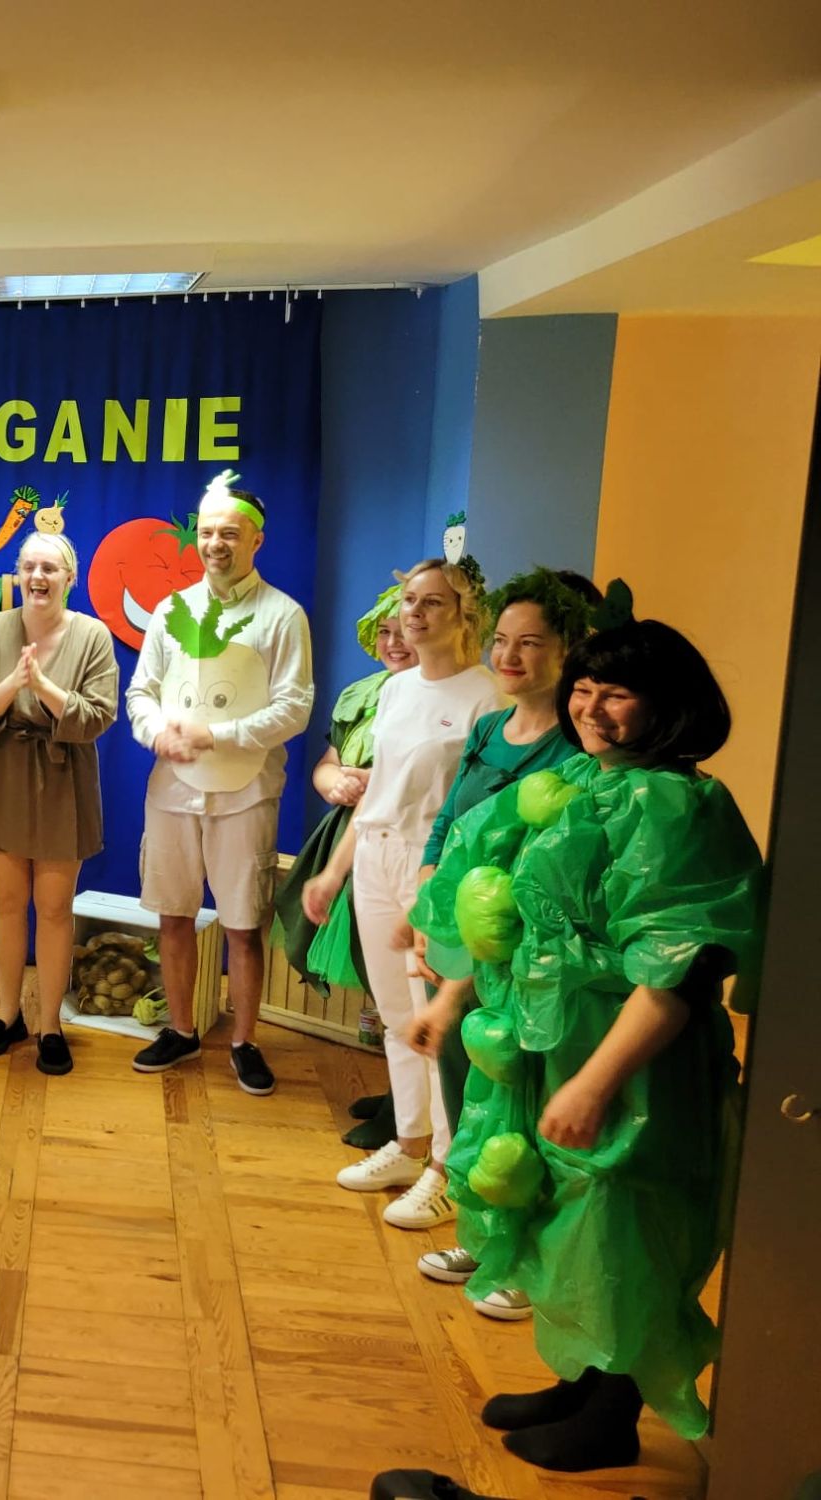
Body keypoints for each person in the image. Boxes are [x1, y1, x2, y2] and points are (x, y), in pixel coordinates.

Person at [406, 619, 761, 1471]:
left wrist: (597, 1082)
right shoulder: (584, 782)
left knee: (623, 1224)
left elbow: (677, 969)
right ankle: (582, 1380)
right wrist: (453, 998)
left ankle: (612, 1415)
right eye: (585, 688)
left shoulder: (675, 805)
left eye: (618, 693)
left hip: (633, 1062)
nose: (592, 708)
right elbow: (518, 913)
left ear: (667, 706)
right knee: (569, 1224)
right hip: (558, 1042)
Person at [406, 568, 598, 1309]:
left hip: (526, 952)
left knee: (524, 1100)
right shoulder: (490, 729)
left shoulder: (577, 752)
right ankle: (485, 1238)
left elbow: (545, 864)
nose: (509, 656)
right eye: (503, 641)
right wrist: (430, 891)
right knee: (471, 1094)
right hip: (462, 938)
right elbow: (451, 819)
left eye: (531, 643)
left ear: (569, 650)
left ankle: (529, 1261)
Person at [301, 557, 497, 1216]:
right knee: (395, 1018)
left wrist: (438, 886)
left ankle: (445, 1168)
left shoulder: (485, 696)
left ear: (464, 615)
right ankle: (409, 1142)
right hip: (376, 856)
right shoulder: (396, 689)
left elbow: (474, 809)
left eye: (433, 602)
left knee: (433, 1024)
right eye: (410, 601)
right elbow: (377, 793)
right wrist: (333, 872)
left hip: (432, 867)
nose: (415, 613)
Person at [126, 470, 314, 1097]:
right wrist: (157, 733)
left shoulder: (282, 616)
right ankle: (181, 1029)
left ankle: (245, 1040)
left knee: (242, 922)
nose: (215, 544)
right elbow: (141, 692)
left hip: (246, 793)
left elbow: (294, 708)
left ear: (256, 540)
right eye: (207, 533)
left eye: (229, 534)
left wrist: (216, 735)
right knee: (174, 913)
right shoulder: (170, 611)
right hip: (172, 792)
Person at [0, 530, 119, 1074]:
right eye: (29, 566)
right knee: (6, 904)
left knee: (53, 909)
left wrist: (44, 686)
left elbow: (98, 716)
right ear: (18, 573)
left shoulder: (93, 636)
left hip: (63, 782)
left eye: (50, 568)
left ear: (70, 578)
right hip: (3, 776)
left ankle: (50, 1023)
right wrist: (13, 683)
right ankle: (8, 1015)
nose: (38, 577)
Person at [274, 583, 415, 1150]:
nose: (394, 642)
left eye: (405, 630)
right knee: (375, 971)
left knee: (401, 982)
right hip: (349, 837)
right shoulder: (363, 693)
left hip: (397, 845)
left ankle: (408, 1110)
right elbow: (329, 761)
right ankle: (397, 1091)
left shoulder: (439, 702)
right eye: (385, 631)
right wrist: (333, 781)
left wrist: (374, 783)